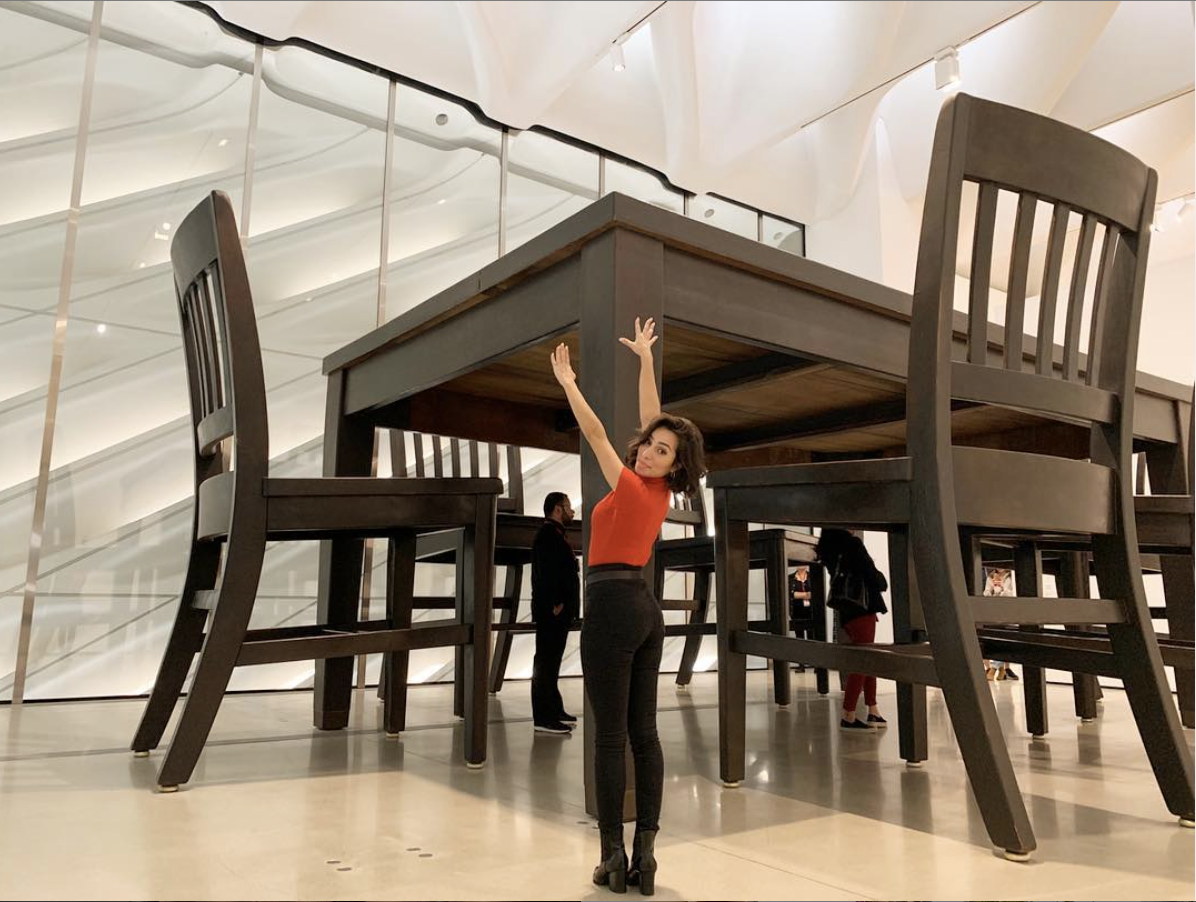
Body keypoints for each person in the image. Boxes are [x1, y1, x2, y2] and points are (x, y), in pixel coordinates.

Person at [550, 317, 706, 896]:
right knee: (647, 734)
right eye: (648, 446)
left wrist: (568, 384)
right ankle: (647, 856)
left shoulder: (634, 487)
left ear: (674, 465)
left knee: (612, 738)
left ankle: (613, 856)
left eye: (661, 451)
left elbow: (594, 433)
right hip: (646, 608)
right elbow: (653, 419)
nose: (647, 452)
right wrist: (644, 360)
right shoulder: (660, 491)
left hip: (613, 606)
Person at [817, 528, 889, 732]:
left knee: (868, 658)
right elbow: (871, 574)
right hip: (861, 608)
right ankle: (849, 714)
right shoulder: (853, 545)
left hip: (847, 610)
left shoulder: (829, 548)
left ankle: (873, 710)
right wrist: (882, 580)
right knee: (863, 660)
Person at [530, 491, 580, 734]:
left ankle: (554, 709)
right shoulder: (548, 536)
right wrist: (556, 602)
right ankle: (544, 717)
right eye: (568, 507)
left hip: (558, 610)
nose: (572, 511)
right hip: (552, 610)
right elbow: (547, 573)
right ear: (558, 509)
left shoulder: (555, 534)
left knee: (552, 661)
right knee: (546, 662)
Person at [983, 568, 1020, 682]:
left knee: (1006, 640)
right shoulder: (990, 577)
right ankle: (1000, 669)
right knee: (994, 640)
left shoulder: (1010, 577)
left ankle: (994, 668)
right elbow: (986, 594)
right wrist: (993, 588)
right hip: (994, 612)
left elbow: (1011, 595)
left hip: (1007, 612)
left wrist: (1002, 588)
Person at [789, 566, 812, 672]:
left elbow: (814, 593)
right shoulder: (791, 578)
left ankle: (815, 663)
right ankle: (801, 665)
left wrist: (799, 595)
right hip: (797, 612)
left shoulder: (811, 577)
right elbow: (791, 594)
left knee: (812, 638)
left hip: (811, 612)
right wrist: (806, 594)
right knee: (799, 638)